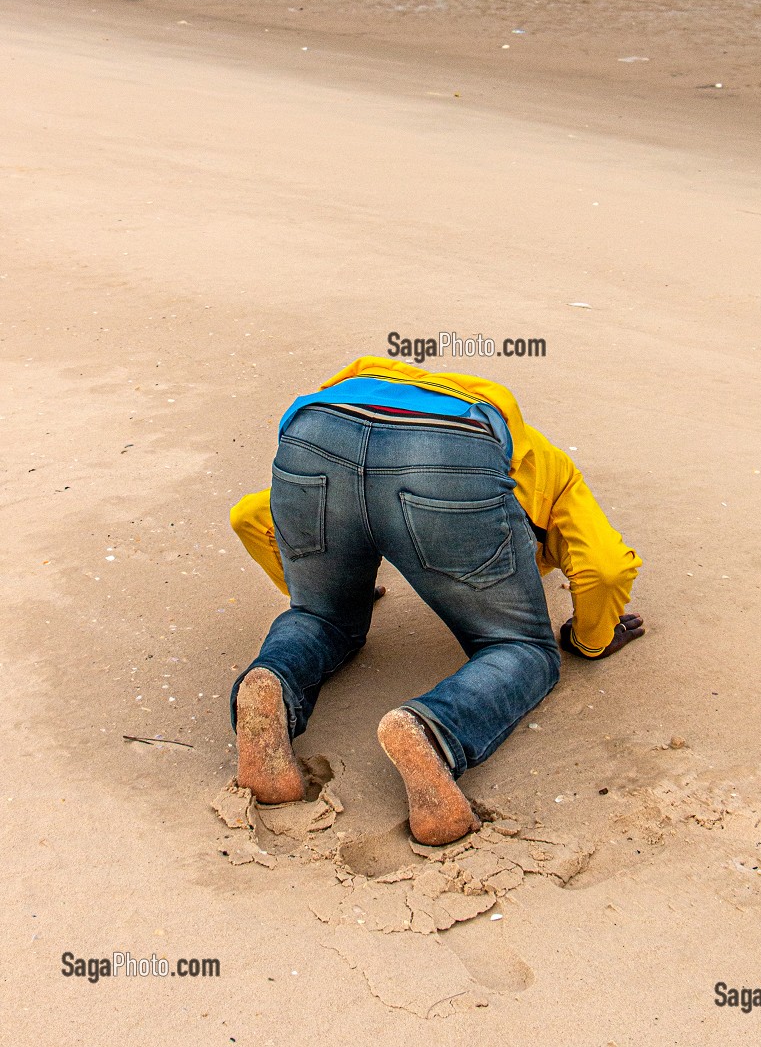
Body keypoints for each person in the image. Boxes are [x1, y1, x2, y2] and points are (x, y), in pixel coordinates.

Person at [229, 355, 644, 845]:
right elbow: (605, 567)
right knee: (521, 648)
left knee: (322, 617)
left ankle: (272, 682)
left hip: (318, 426)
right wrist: (590, 638)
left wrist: (328, 592)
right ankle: (429, 732)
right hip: (451, 450)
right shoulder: (552, 472)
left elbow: (251, 517)